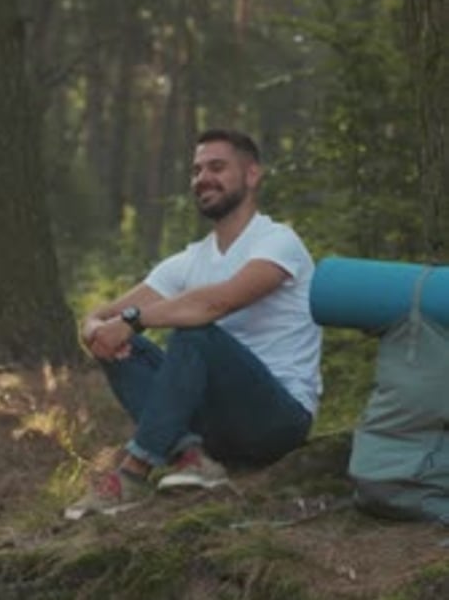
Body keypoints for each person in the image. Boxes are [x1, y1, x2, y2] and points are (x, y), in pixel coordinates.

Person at [66, 128, 322, 519]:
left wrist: (132, 321)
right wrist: (95, 329)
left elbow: (214, 303)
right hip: (215, 427)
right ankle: (191, 456)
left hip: (276, 419)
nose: (203, 178)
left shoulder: (278, 242)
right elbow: (105, 314)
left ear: (252, 175)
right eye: (197, 170)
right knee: (121, 347)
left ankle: (133, 473)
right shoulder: (191, 259)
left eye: (217, 167)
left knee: (195, 331)